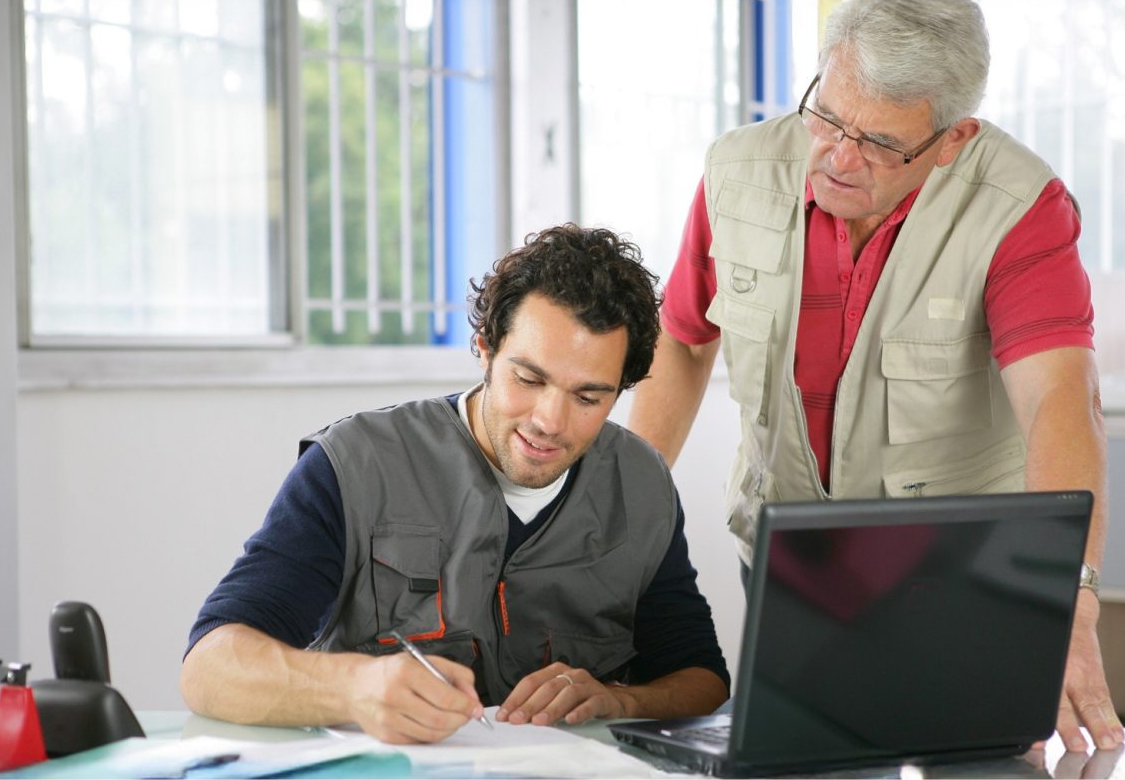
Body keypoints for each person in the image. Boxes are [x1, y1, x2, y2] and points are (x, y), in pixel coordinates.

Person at [625, 0, 1124, 752]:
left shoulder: (1018, 204)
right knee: (801, 762)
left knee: (975, 766)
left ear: (954, 138)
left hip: (961, 581)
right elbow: (685, 341)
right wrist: (623, 521)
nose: (838, 156)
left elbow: (1061, 398)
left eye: (881, 143)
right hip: (791, 567)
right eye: (827, 116)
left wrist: (1070, 598)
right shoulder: (737, 172)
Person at [180, 225, 730, 745]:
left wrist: (619, 702)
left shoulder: (641, 484)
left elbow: (703, 680)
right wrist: (352, 688)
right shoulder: (356, 465)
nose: (550, 421)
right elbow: (210, 667)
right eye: (528, 378)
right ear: (485, 350)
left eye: (589, 397)